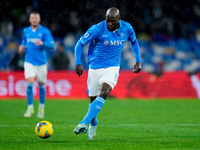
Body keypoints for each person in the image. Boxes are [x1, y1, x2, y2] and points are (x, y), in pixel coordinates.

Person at [73, 7, 141, 139]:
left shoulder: (127, 28)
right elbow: (79, 44)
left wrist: (138, 60)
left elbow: (134, 41)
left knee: (104, 91)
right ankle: (93, 124)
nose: (110, 23)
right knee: (93, 102)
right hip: (94, 68)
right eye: (108, 20)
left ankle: (83, 123)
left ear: (119, 19)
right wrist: (77, 63)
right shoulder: (97, 29)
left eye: (113, 21)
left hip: (112, 67)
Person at [18, 11, 54, 118]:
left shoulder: (45, 31)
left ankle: (41, 108)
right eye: (32, 18)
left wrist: (43, 43)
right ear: (30, 20)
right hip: (29, 61)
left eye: (36, 18)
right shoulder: (26, 31)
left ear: (39, 20)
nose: (34, 20)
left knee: (41, 86)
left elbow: (52, 45)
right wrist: (21, 46)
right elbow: (24, 42)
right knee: (29, 84)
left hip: (41, 62)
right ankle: (30, 108)